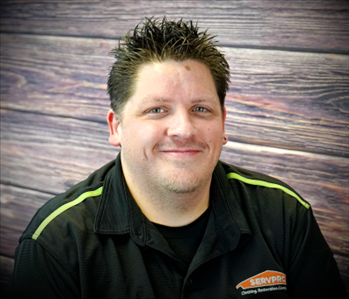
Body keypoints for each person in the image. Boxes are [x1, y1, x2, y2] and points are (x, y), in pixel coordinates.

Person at [5, 17, 347, 299]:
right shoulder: (55, 242)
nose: (184, 128)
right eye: (157, 110)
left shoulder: (284, 214)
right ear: (117, 127)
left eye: (201, 109)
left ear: (223, 123)